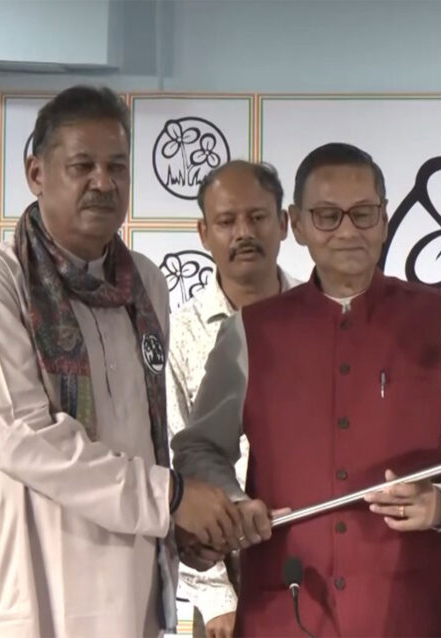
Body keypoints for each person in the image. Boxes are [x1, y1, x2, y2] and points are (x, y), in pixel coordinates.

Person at [173, 142, 441, 636]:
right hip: (286, 608)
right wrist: (232, 504)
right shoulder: (250, 332)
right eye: (328, 216)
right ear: (298, 224)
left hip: (415, 609)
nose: (348, 231)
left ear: (385, 219)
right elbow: (199, 447)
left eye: (364, 213)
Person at [0, 85, 245, 638]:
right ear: (36, 173)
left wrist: (180, 520)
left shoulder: (145, 282)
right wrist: (170, 498)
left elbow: (145, 437)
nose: (103, 182)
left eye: (117, 166)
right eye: (82, 166)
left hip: (132, 574)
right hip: (36, 578)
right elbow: (23, 437)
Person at [167, 160, 298, 638]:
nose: (243, 233)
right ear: (204, 233)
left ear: (283, 223)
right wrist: (216, 598)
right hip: (226, 582)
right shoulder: (177, 334)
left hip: (318, 562)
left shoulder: (320, 319)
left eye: (257, 217)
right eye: (226, 221)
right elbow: (176, 464)